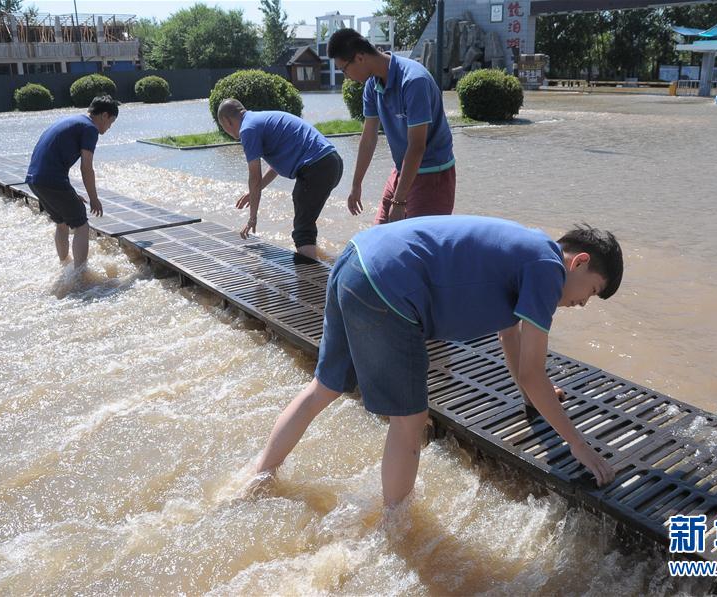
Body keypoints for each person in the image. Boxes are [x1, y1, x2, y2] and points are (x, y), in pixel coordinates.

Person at [255, 216, 624, 506]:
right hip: (389, 285)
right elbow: (532, 372)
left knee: (324, 386)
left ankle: (259, 478)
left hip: (356, 259)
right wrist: (577, 443)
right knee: (410, 419)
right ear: (579, 261)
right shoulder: (548, 268)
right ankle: (395, 529)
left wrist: (531, 397)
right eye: (591, 291)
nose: (582, 303)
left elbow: (508, 334)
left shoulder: (528, 249)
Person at [327, 28, 456, 225]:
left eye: (344, 69)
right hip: (401, 171)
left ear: (359, 58)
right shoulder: (372, 86)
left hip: (433, 174)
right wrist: (356, 185)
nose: (346, 76)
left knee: (417, 247)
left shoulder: (413, 81)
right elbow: (369, 138)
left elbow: (417, 146)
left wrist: (399, 200)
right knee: (380, 237)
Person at [217, 99, 344, 260]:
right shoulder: (257, 120)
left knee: (302, 229)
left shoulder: (247, 129)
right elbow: (276, 166)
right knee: (305, 220)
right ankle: (326, 262)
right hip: (332, 163)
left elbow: (254, 176)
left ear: (227, 122)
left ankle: (312, 277)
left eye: (223, 127)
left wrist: (252, 218)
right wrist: (255, 191)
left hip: (316, 167)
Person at [25, 95, 118, 268]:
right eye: (111, 122)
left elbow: (53, 159)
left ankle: (64, 265)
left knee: (62, 223)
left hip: (34, 179)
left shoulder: (73, 121)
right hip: (52, 180)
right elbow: (86, 167)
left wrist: (72, 194)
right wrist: (94, 198)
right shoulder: (90, 128)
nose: (108, 128)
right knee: (82, 225)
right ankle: (79, 276)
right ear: (104, 115)